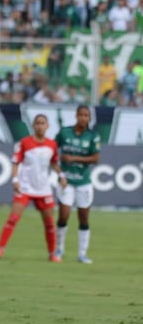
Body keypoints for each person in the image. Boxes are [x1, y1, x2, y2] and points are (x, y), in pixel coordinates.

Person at [0, 114, 67, 262]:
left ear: (47, 126)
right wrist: (15, 180)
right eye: (37, 123)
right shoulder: (25, 143)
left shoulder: (52, 145)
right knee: (13, 218)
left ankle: (52, 253)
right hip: (25, 187)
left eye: (43, 123)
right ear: (33, 126)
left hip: (43, 188)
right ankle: (0, 248)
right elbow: (15, 162)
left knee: (49, 223)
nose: (40, 126)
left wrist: (62, 175)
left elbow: (53, 163)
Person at [54, 105, 101, 264]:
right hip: (67, 181)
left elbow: (95, 159)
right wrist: (59, 172)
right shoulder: (64, 133)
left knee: (83, 217)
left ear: (89, 118)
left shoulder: (93, 136)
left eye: (86, 115)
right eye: (81, 115)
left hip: (84, 182)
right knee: (64, 215)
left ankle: (82, 253)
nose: (83, 118)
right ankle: (59, 248)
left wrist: (74, 159)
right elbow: (53, 153)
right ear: (76, 115)